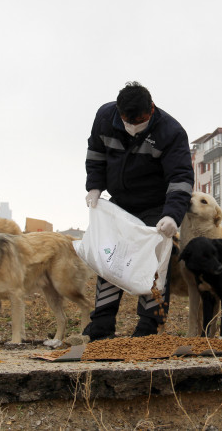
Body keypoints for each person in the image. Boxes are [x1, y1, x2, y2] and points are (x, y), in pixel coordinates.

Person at [82, 81, 194, 340]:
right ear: (119, 113)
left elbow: (180, 178)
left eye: (140, 120)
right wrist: (95, 186)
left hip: (156, 205)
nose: (133, 126)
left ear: (151, 109)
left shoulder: (171, 131)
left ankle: (148, 329)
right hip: (120, 201)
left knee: (153, 263)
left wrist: (172, 215)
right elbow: (95, 154)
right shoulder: (105, 118)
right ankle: (101, 326)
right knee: (111, 259)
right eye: (127, 120)